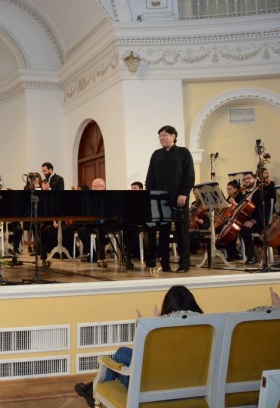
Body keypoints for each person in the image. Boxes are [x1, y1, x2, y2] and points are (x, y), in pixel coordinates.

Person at [74, 285, 204, 407]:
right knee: (124, 357)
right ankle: (91, 389)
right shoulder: (207, 329)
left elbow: (147, 360)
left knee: (122, 354)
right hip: (193, 387)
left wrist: (149, 328)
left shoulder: (162, 330)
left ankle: (93, 391)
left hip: (154, 389)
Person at [145, 125, 195, 273]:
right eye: (160, 136)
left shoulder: (183, 152)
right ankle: (165, 264)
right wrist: (150, 194)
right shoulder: (156, 154)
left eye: (164, 135)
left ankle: (184, 264)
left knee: (182, 232)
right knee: (163, 232)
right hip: (160, 199)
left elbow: (189, 174)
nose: (161, 138)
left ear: (173, 136)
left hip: (179, 198)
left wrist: (184, 193)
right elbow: (150, 177)